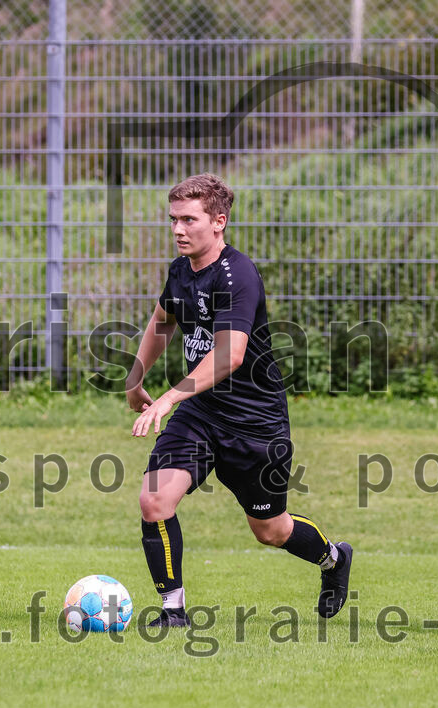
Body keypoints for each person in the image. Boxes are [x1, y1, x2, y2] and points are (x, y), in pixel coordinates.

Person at [126, 173, 353, 627]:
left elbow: (230, 355)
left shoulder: (238, 274)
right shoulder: (180, 270)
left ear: (219, 222)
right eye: (174, 220)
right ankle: (173, 612)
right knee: (155, 499)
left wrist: (168, 396)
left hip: (255, 423)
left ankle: (333, 559)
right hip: (202, 413)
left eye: (189, 220)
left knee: (271, 530)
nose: (178, 230)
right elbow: (163, 320)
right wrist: (135, 378)